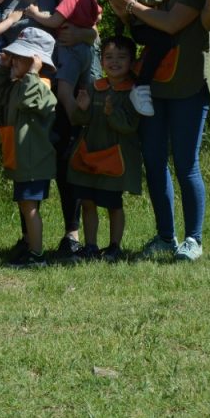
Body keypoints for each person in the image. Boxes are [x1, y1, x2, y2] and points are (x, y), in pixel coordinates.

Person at [102, 0, 210, 262]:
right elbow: (142, 23)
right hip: (153, 85)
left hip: (189, 83)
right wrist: (122, 8)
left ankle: (193, 239)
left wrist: (131, 5)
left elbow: (170, 24)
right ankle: (166, 236)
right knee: (153, 160)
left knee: (185, 163)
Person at [0, 0, 95, 263]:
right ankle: (29, 239)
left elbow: (91, 27)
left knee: (66, 160)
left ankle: (72, 236)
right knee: (24, 163)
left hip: (55, 89)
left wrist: (84, 33)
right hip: (18, 95)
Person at [67, 36, 141, 262]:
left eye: (121, 57)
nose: (114, 62)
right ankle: (90, 246)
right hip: (90, 155)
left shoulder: (133, 91)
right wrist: (82, 109)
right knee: (87, 202)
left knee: (113, 204)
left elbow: (130, 125)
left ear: (132, 61)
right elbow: (82, 120)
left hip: (115, 158)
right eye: (108, 57)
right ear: (101, 60)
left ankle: (114, 247)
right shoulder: (93, 87)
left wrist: (112, 114)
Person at [0, 27, 58, 269]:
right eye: (13, 56)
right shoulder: (18, 84)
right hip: (21, 158)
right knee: (25, 205)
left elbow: (30, 101)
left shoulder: (41, 85)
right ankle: (31, 248)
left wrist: (32, 73)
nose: (13, 61)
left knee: (29, 208)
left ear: (35, 62)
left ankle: (37, 256)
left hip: (34, 160)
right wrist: (2, 66)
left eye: (19, 57)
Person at [25, 0, 102, 120]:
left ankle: (76, 118)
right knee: (86, 91)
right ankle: (89, 120)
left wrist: (34, 13)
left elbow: (54, 21)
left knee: (64, 92)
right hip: (88, 51)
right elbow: (99, 15)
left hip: (70, 51)